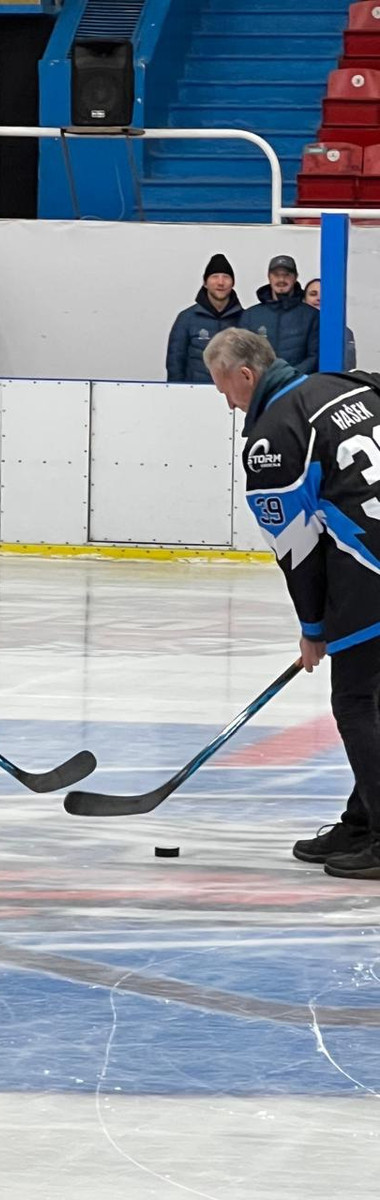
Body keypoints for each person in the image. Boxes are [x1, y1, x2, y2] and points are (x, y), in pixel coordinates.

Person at [204, 326, 380, 880]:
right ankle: (362, 821)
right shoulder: (347, 383)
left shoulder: (273, 438)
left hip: (370, 571)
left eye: (224, 388)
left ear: (246, 375)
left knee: (357, 701)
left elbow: (297, 550)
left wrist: (313, 627)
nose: (226, 401)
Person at [166, 253, 245, 383]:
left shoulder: (245, 318)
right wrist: (177, 390)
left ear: (233, 283)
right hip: (196, 391)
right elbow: (175, 363)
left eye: (226, 277)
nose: (220, 282)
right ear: (205, 283)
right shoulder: (186, 318)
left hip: (233, 391)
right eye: (215, 277)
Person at [238, 254, 319, 374]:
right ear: (269, 277)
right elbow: (241, 355)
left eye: (287, 275)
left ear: (295, 277)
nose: (281, 279)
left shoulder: (312, 316)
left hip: (298, 383)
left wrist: (290, 377)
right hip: (260, 383)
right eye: (276, 275)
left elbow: (314, 356)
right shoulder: (250, 316)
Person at [303, 277, 357, 370]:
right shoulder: (294, 329)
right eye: (313, 294)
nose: (319, 298)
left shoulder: (344, 332)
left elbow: (348, 367)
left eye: (324, 294)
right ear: (304, 300)